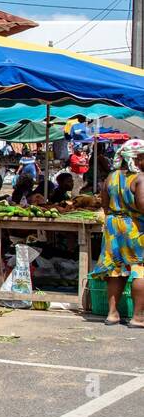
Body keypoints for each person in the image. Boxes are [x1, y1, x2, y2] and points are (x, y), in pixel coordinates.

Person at [91, 138, 144, 326]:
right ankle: (138, 317)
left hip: (113, 226)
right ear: (135, 158)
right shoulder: (139, 178)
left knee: (115, 270)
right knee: (140, 268)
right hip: (135, 227)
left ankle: (112, 314)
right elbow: (142, 205)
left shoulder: (111, 177)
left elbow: (104, 205)